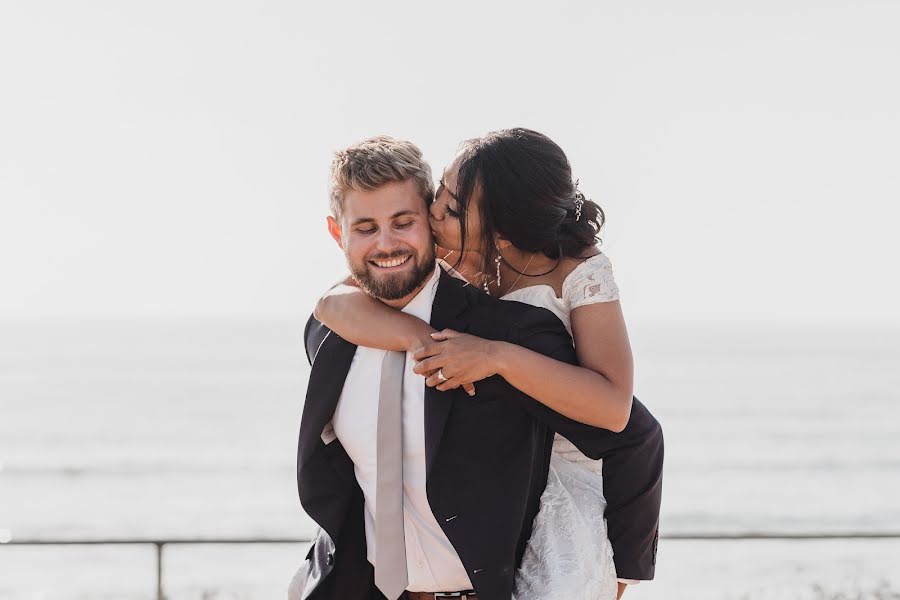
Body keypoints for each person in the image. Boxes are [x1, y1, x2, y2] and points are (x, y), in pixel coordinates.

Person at [291, 135, 663, 600]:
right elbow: (332, 303)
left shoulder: (519, 325)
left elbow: (627, 424)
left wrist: (618, 576)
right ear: (338, 232)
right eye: (365, 227)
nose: (388, 242)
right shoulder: (331, 329)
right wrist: (417, 339)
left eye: (408, 220)